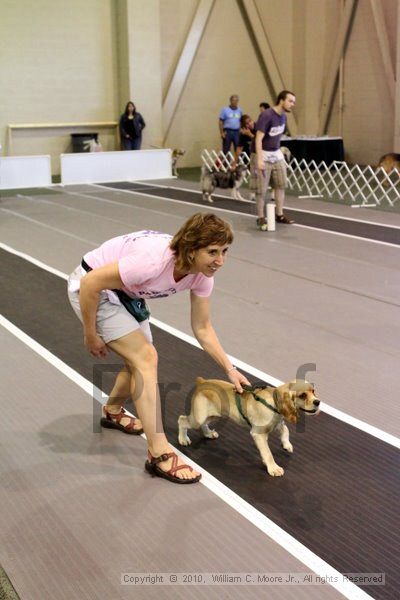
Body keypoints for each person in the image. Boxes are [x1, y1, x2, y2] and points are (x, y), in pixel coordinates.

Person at [67, 213, 250, 484]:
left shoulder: (201, 276)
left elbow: (203, 328)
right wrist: (90, 334)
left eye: (225, 251)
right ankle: (158, 452)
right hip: (93, 288)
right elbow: (90, 283)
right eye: (212, 252)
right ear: (191, 248)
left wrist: (230, 369)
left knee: (139, 363)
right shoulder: (152, 263)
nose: (220, 261)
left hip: (127, 293)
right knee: (146, 358)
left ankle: (113, 411)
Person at [252, 90, 296, 229]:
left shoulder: (284, 117)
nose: (292, 104)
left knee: (280, 185)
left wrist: (279, 152)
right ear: (281, 100)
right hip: (262, 154)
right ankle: (260, 217)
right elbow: (258, 138)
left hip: (276, 154)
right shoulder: (267, 115)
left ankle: (279, 214)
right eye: (290, 101)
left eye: (293, 102)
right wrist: (259, 159)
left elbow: (276, 136)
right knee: (261, 189)